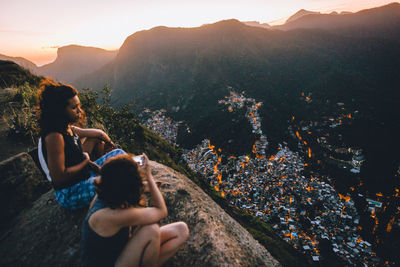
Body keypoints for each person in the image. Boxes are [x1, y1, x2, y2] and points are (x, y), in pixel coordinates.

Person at [81, 153, 189, 267]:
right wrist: (149, 176)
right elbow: (161, 211)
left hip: (120, 253)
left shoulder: (105, 190)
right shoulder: (112, 216)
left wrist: (142, 182)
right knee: (151, 230)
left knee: (181, 230)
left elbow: (118, 178)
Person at [36, 78, 126, 209]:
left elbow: (74, 156)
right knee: (115, 181)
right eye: (74, 107)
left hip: (84, 175)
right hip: (70, 191)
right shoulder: (54, 136)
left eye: (79, 106)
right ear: (59, 110)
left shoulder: (67, 128)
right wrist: (85, 161)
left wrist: (91, 165)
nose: (79, 111)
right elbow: (59, 178)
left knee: (119, 154)